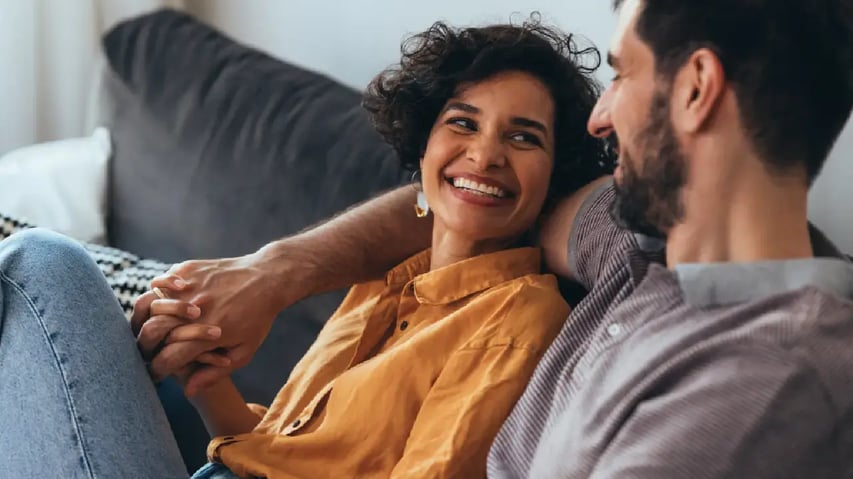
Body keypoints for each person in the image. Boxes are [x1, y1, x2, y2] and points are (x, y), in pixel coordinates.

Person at [146, 0, 853, 478]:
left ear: (695, 88)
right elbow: (465, 204)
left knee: (42, 272)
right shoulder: (631, 242)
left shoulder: (762, 381)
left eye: (622, 73)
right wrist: (277, 271)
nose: (600, 118)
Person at [0, 19, 612, 478]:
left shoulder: (522, 317)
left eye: (523, 137)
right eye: (462, 122)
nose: (485, 154)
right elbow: (284, 450)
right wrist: (208, 381)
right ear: (422, 148)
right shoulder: (384, 280)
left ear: (555, 177)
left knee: (42, 266)